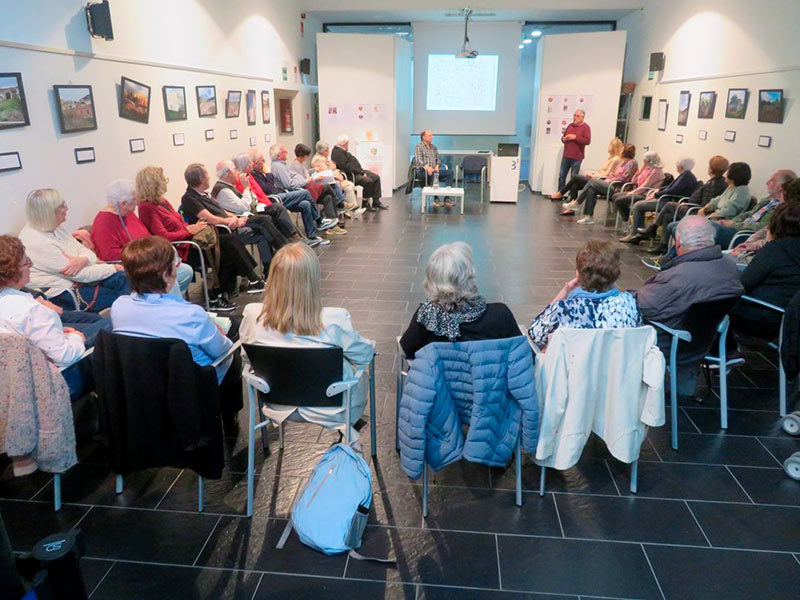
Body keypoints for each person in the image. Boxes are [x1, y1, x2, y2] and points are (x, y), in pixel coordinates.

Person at [240, 243, 375, 439]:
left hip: (276, 404)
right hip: (332, 408)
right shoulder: (333, 320)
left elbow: (247, 358)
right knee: (358, 372)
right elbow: (364, 356)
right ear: (312, 280)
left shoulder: (253, 316)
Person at [111, 236, 243, 428]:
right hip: (191, 383)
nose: (178, 268)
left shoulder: (118, 307)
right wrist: (222, 337)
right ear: (166, 275)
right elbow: (222, 351)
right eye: (175, 265)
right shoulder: (190, 315)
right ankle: (229, 418)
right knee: (233, 355)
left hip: (144, 383)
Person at [634, 216, 744, 397]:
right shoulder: (730, 267)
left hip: (671, 344)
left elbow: (642, 306)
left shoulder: (678, 277)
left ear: (678, 242)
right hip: (704, 342)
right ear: (711, 239)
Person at [0, 235, 94, 401]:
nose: (31, 265)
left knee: (92, 321)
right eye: (26, 261)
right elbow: (65, 356)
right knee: (108, 331)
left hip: (14, 387)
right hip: (51, 387)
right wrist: (75, 337)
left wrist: (56, 333)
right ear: (11, 273)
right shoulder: (30, 310)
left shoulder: (18, 306)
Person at [399, 242, 520, 359]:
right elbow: (523, 356)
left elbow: (404, 351)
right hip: (490, 380)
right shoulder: (501, 314)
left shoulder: (428, 315)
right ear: (469, 275)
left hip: (439, 380)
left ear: (432, 279)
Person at [19, 188, 131, 312]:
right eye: (62, 206)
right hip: (64, 293)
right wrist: (113, 268)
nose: (67, 208)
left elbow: (84, 251)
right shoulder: (36, 242)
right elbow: (80, 275)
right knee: (119, 296)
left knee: (125, 278)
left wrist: (83, 260)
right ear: (49, 213)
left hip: (81, 278)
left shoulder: (55, 227)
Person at [90, 179, 194, 298]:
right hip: (134, 266)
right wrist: (146, 255)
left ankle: (168, 304)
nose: (137, 203)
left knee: (185, 272)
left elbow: (145, 236)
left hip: (148, 259)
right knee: (169, 280)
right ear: (123, 203)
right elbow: (110, 255)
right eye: (134, 200)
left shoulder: (127, 213)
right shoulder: (104, 222)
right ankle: (172, 309)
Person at [528, 241, 641, 350]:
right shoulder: (629, 304)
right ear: (617, 274)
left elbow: (535, 335)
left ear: (578, 274)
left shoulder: (564, 309)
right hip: (616, 368)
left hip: (572, 369)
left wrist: (562, 294)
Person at [180, 162, 266, 303]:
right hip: (211, 236)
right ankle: (251, 279)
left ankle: (237, 286)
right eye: (207, 175)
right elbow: (210, 218)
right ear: (202, 179)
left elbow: (219, 210)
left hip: (225, 228)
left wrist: (232, 217)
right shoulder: (189, 198)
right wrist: (230, 221)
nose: (209, 177)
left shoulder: (203, 194)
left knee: (258, 228)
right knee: (231, 243)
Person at [648, 162, 753, 266]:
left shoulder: (742, 192)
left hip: (720, 222)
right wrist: (705, 208)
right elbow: (716, 200)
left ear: (734, 175)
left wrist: (708, 216)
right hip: (710, 217)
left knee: (673, 217)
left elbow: (728, 210)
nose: (726, 174)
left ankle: (668, 257)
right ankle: (671, 255)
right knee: (670, 223)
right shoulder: (731, 188)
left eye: (728, 172)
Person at [730, 202, 800, 344]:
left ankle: (726, 351)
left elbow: (744, 284)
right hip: (790, 321)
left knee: (711, 304)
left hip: (761, 318)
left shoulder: (775, 250)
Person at [643, 155, 729, 256]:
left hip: (694, 211)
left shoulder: (713, 185)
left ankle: (653, 228)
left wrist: (688, 204)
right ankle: (663, 245)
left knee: (670, 205)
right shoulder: (717, 182)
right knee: (667, 216)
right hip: (692, 207)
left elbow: (705, 204)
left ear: (710, 169)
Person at [248, 149, 330, 246]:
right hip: (275, 198)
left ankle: (312, 235)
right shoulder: (256, 174)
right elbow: (268, 189)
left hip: (280, 194)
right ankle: (319, 221)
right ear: (255, 163)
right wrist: (268, 173)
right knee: (305, 193)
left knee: (305, 204)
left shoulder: (264, 171)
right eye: (262, 160)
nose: (264, 163)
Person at [211, 158, 292, 249]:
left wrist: (248, 190)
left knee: (276, 208)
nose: (237, 172)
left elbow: (253, 200)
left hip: (249, 211)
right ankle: (283, 248)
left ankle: (292, 237)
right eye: (235, 170)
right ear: (228, 172)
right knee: (265, 219)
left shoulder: (229, 186)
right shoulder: (223, 190)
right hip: (239, 219)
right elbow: (244, 207)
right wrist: (246, 188)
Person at [709, 169, 796, 250]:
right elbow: (749, 214)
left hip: (744, 235)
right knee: (704, 224)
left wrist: (733, 224)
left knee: (708, 229)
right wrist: (730, 222)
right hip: (738, 228)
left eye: (772, 181)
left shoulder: (783, 209)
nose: (767, 182)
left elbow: (762, 226)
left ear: (780, 187)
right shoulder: (767, 200)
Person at [229, 152, 304, 241]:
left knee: (299, 205)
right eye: (250, 162)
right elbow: (251, 200)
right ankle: (292, 239)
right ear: (244, 165)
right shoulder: (241, 180)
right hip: (253, 209)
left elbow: (261, 193)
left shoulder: (249, 176)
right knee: (280, 208)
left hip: (263, 203)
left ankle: (294, 238)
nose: (252, 164)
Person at [624, 157, 699, 245]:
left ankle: (635, 234)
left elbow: (673, 190)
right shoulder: (685, 175)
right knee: (639, 205)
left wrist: (657, 194)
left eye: (677, 164)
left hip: (670, 202)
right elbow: (669, 187)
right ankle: (640, 234)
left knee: (638, 206)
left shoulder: (686, 176)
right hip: (668, 200)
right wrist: (659, 190)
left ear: (681, 166)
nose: (676, 165)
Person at [269, 144, 339, 234]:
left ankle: (313, 234)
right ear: (279, 155)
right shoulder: (279, 167)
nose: (287, 153)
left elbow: (294, 176)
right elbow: (290, 185)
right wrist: (306, 181)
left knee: (321, 199)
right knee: (321, 188)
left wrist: (309, 176)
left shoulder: (282, 165)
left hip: (299, 187)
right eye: (284, 152)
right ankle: (320, 220)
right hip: (294, 191)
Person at [731, 177, 800, 261]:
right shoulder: (772, 205)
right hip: (757, 251)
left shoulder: (787, 220)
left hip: (759, 256)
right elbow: (765, 231)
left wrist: (742, 257)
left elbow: (773, 254)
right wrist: (750, 244)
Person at [573, 143, 638, 224]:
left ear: (626, 151)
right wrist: (610, 177)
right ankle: (588, 216)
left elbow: (625, 177)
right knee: (592, 189)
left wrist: (611, 180)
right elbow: (614, 174)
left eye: (622, 149)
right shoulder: (623, 162)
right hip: (613, 184)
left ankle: (577, 203)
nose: (620, 151)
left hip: (618, 188)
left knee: (592, 181)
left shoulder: (632, 163)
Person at [289, 144, 347, 235]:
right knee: (327, 186)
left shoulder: (297, 164)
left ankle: (333, 224)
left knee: (327, 197)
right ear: (305, 155)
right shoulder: (296, 166)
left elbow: (304, 174)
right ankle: (340, 203)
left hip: (308, 188)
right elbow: (302, 181)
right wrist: (313, 178)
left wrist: (313, 170)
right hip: (306, 191)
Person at [613, 151, 666, 236]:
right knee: (615, 196)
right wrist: (641, 170)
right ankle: (630, 218)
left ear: (649, 161)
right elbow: (634, 181)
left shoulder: (656, 171)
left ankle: (630, 219)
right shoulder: (647, 169)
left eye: (644, 160)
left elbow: (646, 185)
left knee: (620, 200)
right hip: (640, 190)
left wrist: (632, 192)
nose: (643, 162)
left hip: (646, 194)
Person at [555, 137, 623, 203]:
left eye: (610, 145)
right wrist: (593, 174)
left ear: (614, 147)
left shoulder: (615, 159)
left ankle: (561, 193)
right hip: (597, 177)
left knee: (575, 176)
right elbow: (602, 171)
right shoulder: (610, 158)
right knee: (575, 185)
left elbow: (606, 174)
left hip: (600, 180)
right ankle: (571, 208)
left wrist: (593, 176)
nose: (608, 147)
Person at [331, 134, 388, 211]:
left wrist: (361, 171)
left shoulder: (342, 150)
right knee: (368, 181)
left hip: (357, 171)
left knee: (376, 177)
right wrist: (361, 173)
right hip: (350, 175)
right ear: (344, 143)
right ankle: (365, 204)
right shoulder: (337, 152)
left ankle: (376, 201)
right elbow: (347, 167)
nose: (348, 144)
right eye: (347, 143)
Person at [311, 141, 366, 219]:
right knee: (348, 186)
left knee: (350, 185)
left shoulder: (323, 158)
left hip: (333, 179)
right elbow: (327, 172)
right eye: (327, 150)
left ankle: (350, 210)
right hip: (328, 182)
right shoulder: (318, 159)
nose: (328, 152)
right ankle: (345, 208)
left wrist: (337, 172)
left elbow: (334, 167)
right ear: (324, 151)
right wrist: (336, 174)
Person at [555, 109, 591, 195]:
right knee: (561, 176)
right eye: (574, 115)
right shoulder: (570, 126)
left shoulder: (586, 127)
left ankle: (572, 196)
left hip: (577, 158)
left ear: (582, 117)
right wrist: (564, 139)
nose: (575, 117)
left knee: (574, 178)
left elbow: (587, 141)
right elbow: (563, 137)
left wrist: (575, 137)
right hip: (566, 156)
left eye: (577, 116)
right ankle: (560, 194)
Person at [414, 130, 453, 207]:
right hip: (423, 171)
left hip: (434, 170)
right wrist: (427, 167)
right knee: (435, 173)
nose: (432, 137)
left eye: (432, 135)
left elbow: (438, 158)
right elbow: (418, 159)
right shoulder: (419, 146)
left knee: (450, 172)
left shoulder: (433, 147)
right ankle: (436, 199)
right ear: (424, 137)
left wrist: (437, 166)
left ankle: (447, 198)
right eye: (430, 135)